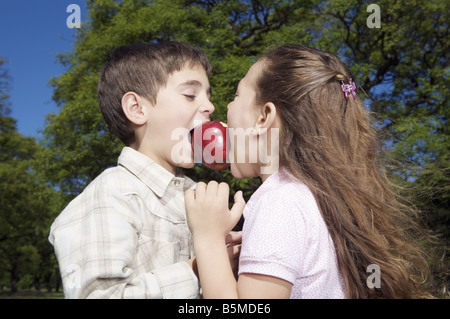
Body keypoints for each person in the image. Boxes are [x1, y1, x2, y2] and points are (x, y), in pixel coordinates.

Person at [185, 44, 431, 298]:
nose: (224, 108)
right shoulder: (320, 199)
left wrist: (208, 239)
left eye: (236, 96)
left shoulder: (279, 201)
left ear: (263, 117)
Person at [49, 41, 241, 298]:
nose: (210, 107)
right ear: (137, 109)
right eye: (190, 95)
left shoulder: (199, 195)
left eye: (208, 95)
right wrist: (201, 265)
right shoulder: (110, 196)